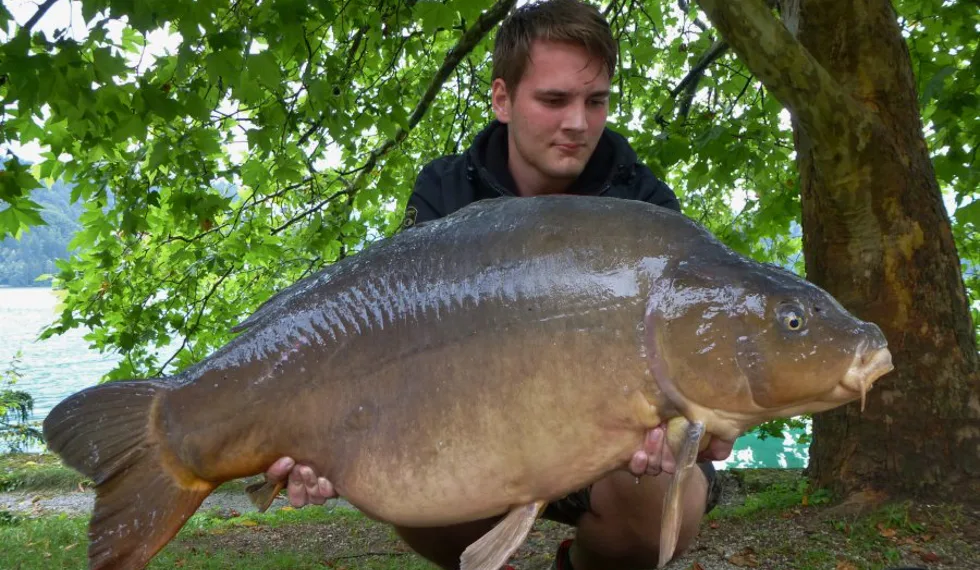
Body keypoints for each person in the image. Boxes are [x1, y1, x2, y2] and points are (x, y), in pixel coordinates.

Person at [265, 0, 735, 568]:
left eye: (596, 101)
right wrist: (324, 436)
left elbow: (698, 359)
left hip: (610, 454)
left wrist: (707, 418)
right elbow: (386, 340)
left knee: (660, 497)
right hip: (479, 440)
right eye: (554, 100)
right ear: (502, 99)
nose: (578, 123)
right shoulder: (446, 192)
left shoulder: (644, 205)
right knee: (399, 466)